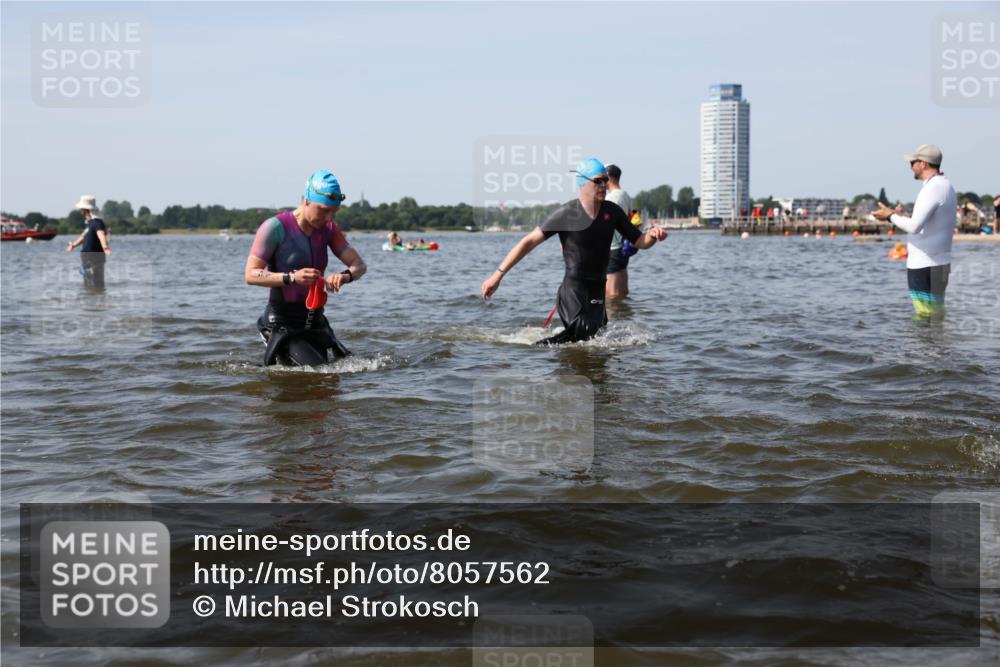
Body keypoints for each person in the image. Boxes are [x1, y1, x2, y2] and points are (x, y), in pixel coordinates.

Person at [481, 158, 668, 345]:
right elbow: (528, 241)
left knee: (597, 343)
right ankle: (532, 350)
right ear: (582, 182)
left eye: (605, 180)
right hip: (574, 291)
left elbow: (640, 241)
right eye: (598, 181)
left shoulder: (612, 212)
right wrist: (498, 275)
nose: (604, 185)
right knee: (584, 339)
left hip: (598, 289)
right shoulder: (567, 213)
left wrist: (652, 235)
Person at [244, 170, 367, 366]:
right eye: (324, 210)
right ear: (306, 200)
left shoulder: (329, 230)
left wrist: (345, 276)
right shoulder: (274, 228)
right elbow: (251, 274)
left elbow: (359, 265)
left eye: (333, 212)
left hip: (315, 322)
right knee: (321, 375)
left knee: (352, 370)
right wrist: (291, 278)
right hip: (282, 323)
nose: (328, 218)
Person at [873, 144, 958, 319]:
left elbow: (914, 226)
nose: (910, 166)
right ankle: (938, 347)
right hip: (938, 263)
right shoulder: (945, 185)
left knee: (925, 316)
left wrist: (890, 216)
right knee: (935, 315)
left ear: (924, 164)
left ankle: (925, 347)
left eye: (913, 162)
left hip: (924, 265)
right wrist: (898, 215)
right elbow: (925, 222)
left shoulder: (933, 188)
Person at [66, 195, 111, 289]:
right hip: (87, 258)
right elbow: (83, 237)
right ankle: (91, 301)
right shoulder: (89, 223)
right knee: (89, 283)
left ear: (86, 209)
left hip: (95, 257)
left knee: (96, 283)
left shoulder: (97, 223)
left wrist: (105, 247)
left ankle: (97, 300)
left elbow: (101, 235)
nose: (80, 210)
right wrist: (73, 245)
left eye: (81, 208)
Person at [604, 164, 634, 300]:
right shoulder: (626, 196)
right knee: (622, 290)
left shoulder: (611, 199)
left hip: (612, 247)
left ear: (609, 178)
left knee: (611, 295)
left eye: (602, 178)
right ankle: (624, 316)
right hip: (624, 247)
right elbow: (634, 219)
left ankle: (614, 319)